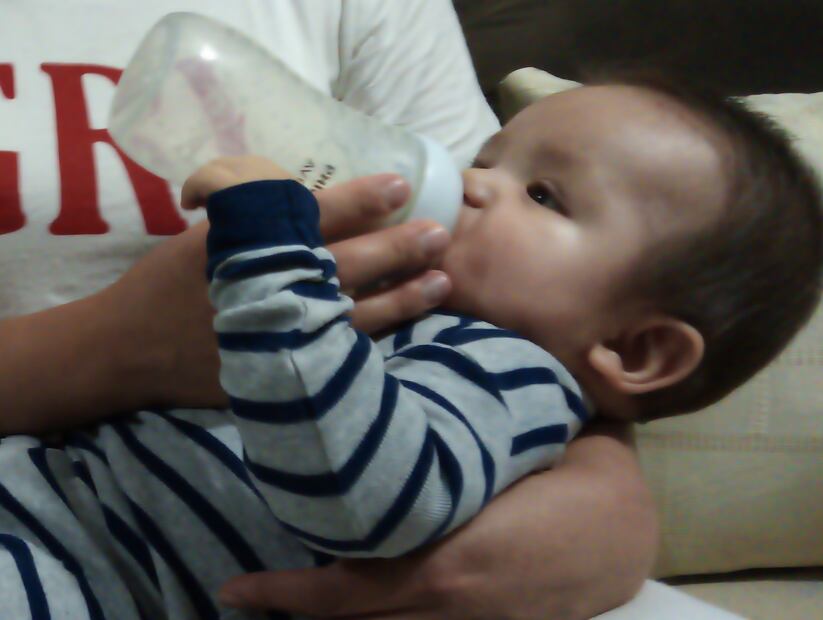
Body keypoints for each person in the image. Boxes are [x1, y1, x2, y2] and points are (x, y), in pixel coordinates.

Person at [4, 75, 821, 619]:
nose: (470, 182)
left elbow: (357, 490)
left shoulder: (505, 371)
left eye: (542, 195)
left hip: (81, 573)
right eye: (487, 158)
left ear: (636, 349)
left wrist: (270, 254)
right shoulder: (419, 318)